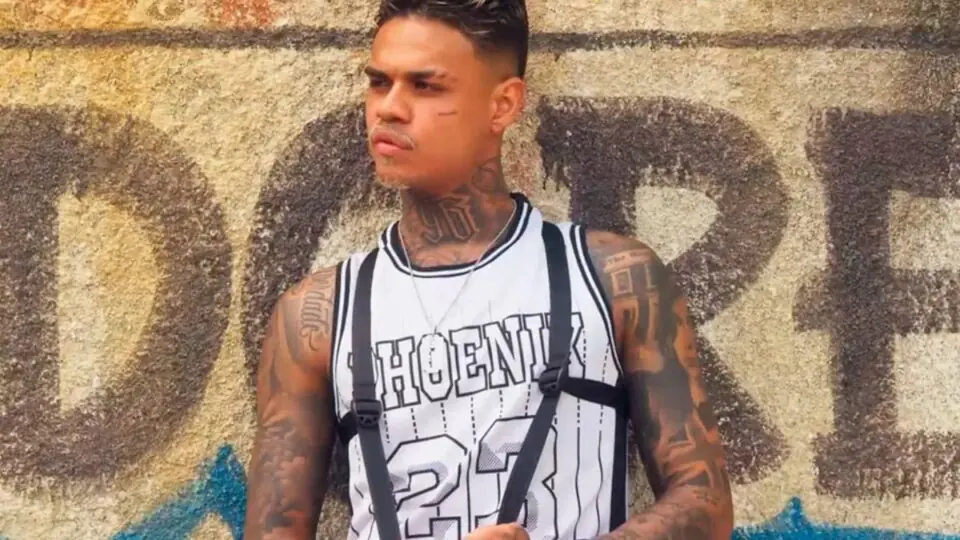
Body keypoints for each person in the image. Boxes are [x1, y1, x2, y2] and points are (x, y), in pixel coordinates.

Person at [243, 1, 734, 538]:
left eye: (425, 86)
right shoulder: (317, 315)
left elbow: (703, 503)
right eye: (379, 83)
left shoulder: (612, 278)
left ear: (503, 105)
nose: (389, 108)